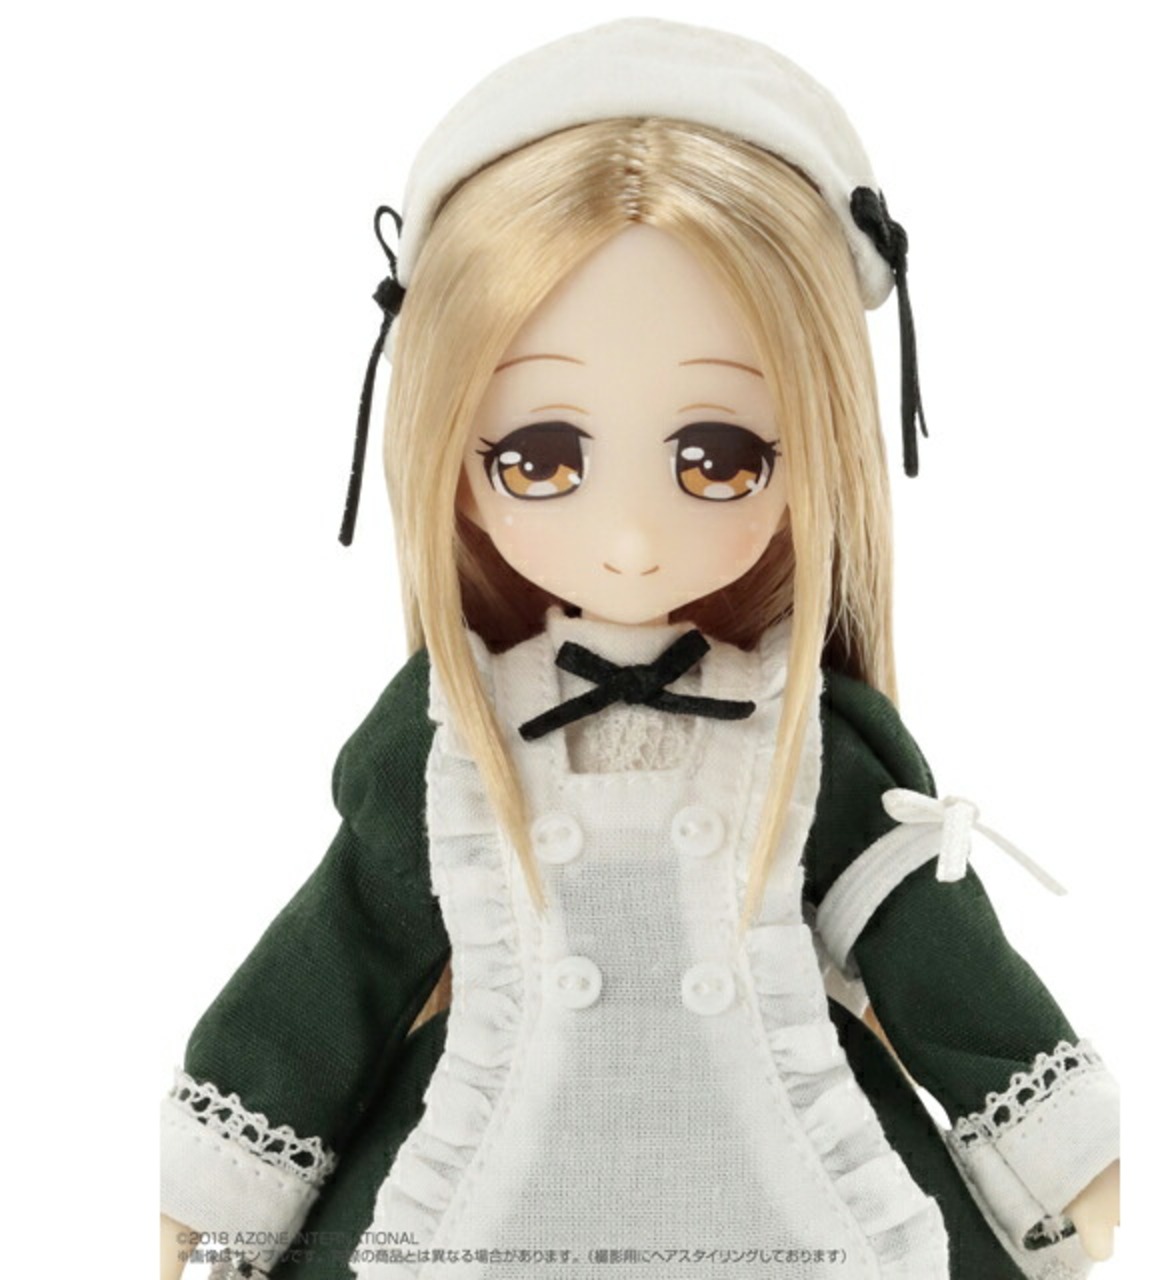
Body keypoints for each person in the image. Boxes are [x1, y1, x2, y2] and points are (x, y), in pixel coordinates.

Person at [159, 19, 1120, 1280]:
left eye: (718, 458)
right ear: (451, 455)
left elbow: (948, 974)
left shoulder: (806, 735)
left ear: (814, 448)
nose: (626, 536)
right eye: (538, 457)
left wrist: (1083, 1168)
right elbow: (329, 971)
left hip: (792, 1205)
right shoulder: (446, 740)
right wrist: (201, 1204)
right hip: (488, 1206)